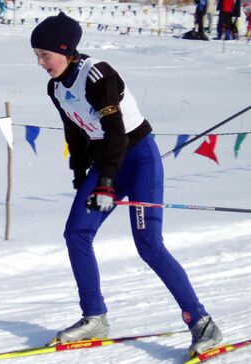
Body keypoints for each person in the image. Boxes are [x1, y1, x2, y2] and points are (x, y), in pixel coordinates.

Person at [30, 12, 222, 357]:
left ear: (66, 48)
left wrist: (105, 182)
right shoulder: (56, 86)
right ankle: (95, 316)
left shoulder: (98, 75)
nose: (41, 62)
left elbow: (116, 131)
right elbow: (74, 129)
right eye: (36, 56)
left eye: (45, 54)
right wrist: (80, 171)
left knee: (149, 245)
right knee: (76, 233)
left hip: (137, 158)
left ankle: (202, 322)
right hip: (107, 162)